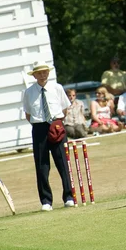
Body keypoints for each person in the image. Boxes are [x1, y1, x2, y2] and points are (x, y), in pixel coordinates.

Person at [23, 61, 74, 211]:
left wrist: (56, 123)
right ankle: (46, 200)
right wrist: (39, 126)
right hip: (39, 127)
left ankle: (69, 196)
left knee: (63, 162)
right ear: (34, 75)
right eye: (39, 73)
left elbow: (64, 109)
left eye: (45, 72)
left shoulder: (57, 88)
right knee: (42, 165)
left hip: (56, 124)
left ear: (48, 73)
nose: (42, 75)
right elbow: (28, 114)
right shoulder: (29, 92)